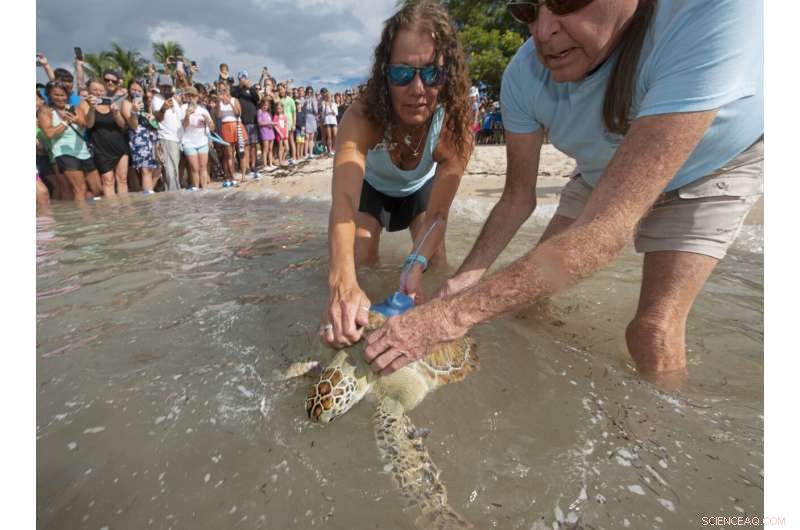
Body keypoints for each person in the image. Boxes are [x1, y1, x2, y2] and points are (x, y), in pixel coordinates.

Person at [362, 0, 764, 381]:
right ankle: (538, 381)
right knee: (525, 300)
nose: (543, 31)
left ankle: (651, 444)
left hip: (711, 162)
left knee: (653, 332)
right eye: (528, 10)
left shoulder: (710, 12)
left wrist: (449, 319)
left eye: (566, 2)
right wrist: (467, 277)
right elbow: (518, 197)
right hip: (598, 171)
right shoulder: (524, 75)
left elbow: (606, 231)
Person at [320, 0, 473, 349]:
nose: (418, 89)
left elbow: (438, 215)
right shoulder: (362, 117)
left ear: (447, 74)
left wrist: (415, 264)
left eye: (432, 73)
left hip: (420, 192)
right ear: (384, 72)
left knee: (435, 263)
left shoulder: (455, 125)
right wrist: (340, 281)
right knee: (359, 260)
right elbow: (343, 201)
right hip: (372, 191)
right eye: (403, 73)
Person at [37, 81, 102, 202]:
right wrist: (65, 122)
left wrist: (77, 120)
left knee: (97, 188)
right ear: (49, 95)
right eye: (56, 95)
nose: (60, 98)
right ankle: (85, 218)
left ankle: (90, 212)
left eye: (63, 95)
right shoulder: (45, 111)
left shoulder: (75, 108)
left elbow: (86, 125)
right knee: (79, 189)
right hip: (63, 152)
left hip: (82, 151)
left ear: (67, 95)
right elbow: (50, 134)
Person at [81, 78, 129, 196]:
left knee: (122, 179)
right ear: (89, 91)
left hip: (119, 145)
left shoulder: (112, 103)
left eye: (101, 90)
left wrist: (116, 112)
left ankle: (126, 210)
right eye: (95, 90)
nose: (98, 93)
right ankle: (112, 212)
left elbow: (122, 125)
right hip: (100, 148)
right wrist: (92, 109)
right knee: (108, 180)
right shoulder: (85, 104)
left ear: (105, 91)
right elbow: (89, 124)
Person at [121, 79, 160, 193]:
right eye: (133, 89)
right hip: (139, 139)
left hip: (151, 137)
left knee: (157, 169)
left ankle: (148, 193)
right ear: (129, 90)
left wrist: (151, 118)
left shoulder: (146, 104)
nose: (136, 92)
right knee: (146, 169)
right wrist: (133, 111)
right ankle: (148, 197)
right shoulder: (126, 103)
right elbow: (133, 125)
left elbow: (154, 123)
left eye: (139, 90)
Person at [152, 77, 185, 191]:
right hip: (166, 138)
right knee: (170, 172)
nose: (166, 89)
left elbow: (181, 119)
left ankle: (173, 198)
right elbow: (157, 118)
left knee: (174, 171)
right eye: (163, 86)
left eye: (168, 86)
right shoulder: (157, 98)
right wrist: (163, 109)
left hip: (176, 140)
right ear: (159, 86)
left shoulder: (174, 100)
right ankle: (174, 199)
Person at [180, 86, 215, 190]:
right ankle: (196, 189)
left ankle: (203, 189)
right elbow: (184, 126)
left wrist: (208, 120)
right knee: (194, 168)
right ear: (185, 97)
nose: (190, 98)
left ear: (196, 97)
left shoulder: (203, 110)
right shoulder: (183, 108)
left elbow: (212, 127)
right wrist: (187, 116)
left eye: (193, 96)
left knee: (203, 167)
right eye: (188, 96)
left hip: (202, 141)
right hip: (188, 142)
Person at [214, 81, 246, 185]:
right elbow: (218, 115)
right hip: (225, 126)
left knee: (241, 152)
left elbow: (238, 113)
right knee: (229, 154)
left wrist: (230, 102)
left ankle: (243, 175)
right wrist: (219, 102)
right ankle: (231, 176)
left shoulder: (234, 99)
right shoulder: (218, 102)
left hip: (236, 125)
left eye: (224, 89)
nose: (223, 92)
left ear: (228, 89)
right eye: (220, 90)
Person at [231, 70, 260, 179]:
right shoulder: (236, 89)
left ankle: (253, 165)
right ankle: (246, 166)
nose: (244, 79)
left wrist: (250, 87)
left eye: (245, 77)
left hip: (253, 121)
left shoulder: (251, 89)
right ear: (239, 79)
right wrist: (240, 86)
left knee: (253, 145)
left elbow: (257, 99)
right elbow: (233, 95)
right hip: (242, 122)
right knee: (245, 146)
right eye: (242, 78)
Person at [277, 83, 297, 165]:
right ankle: (282, 159)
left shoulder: (290, 99)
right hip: (281, 124)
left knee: (291, 140)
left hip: (289, 122)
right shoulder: (279, 100)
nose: (280, 91)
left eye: (281, 89)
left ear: (285, 89)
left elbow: (294, 113)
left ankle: (294, 157)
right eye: (279, 90)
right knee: (282, 143)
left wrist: (294, 124)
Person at [256, 97, 275, 169]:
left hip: (271, 132)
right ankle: (265, 165)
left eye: (266, 105)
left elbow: (269, 122)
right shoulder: (259, 111)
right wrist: (270, 122)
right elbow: (259, 123)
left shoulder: (268, 113)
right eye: (264, 104)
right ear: (261, 104)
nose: (265, 106)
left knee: (270, 149)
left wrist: (273, 124)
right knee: (265, 149)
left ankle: (270, 164)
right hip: (264, 132)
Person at [302, 86, 319, 160]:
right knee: (306, 137)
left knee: (311, 137)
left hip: (312, 118)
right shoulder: (303, 99)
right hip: (306, 117)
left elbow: (316, 111)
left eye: (311, 92)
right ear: (306, 92)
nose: (309, 93)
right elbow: (302, 110)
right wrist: (305, 103)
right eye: (308, 92)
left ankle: (311, 153)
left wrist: (313, 102)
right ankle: (306, 153)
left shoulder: (314, 100)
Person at [320, 89, 338, 156]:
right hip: (327, 121)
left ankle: (334, 149)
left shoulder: (334, 104)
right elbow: (322, 114)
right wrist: (325, 107)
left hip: (333, 121)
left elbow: (336, 113)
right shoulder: (324, 104)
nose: (328, 98)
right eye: (327, 96)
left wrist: (331, 107)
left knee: (335, 136)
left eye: (329, 96)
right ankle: (329, 150)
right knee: (329, 136)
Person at [272, 101, 288, 166]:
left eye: (280, 108)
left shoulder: (284, 116)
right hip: (279, 134)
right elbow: (275, 126)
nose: (279, 110)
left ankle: (283, 159)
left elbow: (286, 125)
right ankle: (280, 160)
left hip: (285, 134)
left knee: (287, 148)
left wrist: (286, 133)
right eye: (277, 108)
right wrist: (280, 133)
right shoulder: (275, 116)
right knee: (280, 148)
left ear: (282, 108)